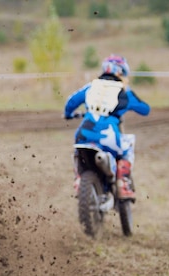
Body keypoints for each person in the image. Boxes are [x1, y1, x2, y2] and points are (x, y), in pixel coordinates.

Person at [63, 54, 150, 199]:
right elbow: (145, 109)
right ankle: (123, 183)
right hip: (109, 137)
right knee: (128, 143)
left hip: (83, 133)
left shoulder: (91, 86)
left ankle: (78, 179)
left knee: (78, 151)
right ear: (121, 71)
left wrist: (68, 114)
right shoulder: (124, 92)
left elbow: (70, 102)